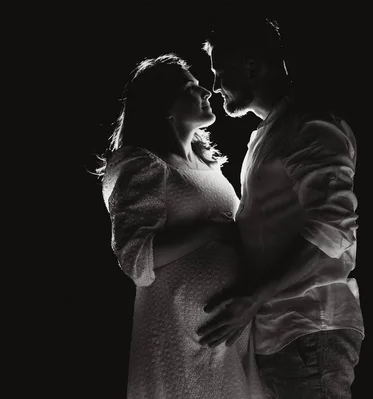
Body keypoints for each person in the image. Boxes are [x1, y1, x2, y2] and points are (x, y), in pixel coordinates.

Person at [195, 11, 365, 399]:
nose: (216, 85)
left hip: (310, 330)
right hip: (283, 335)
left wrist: (253, 298)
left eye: (220, 71)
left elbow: (334, 229)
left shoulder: (310, 125)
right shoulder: (267, 134)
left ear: (251, 66)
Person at [94, 53, 267, 398]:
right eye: (191, 86)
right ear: (165, 106)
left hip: (228, 344)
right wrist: (212, 231)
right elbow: (136, 257)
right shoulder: (141, 164)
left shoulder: (209, 168)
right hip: (177, 344)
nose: (206, 90)